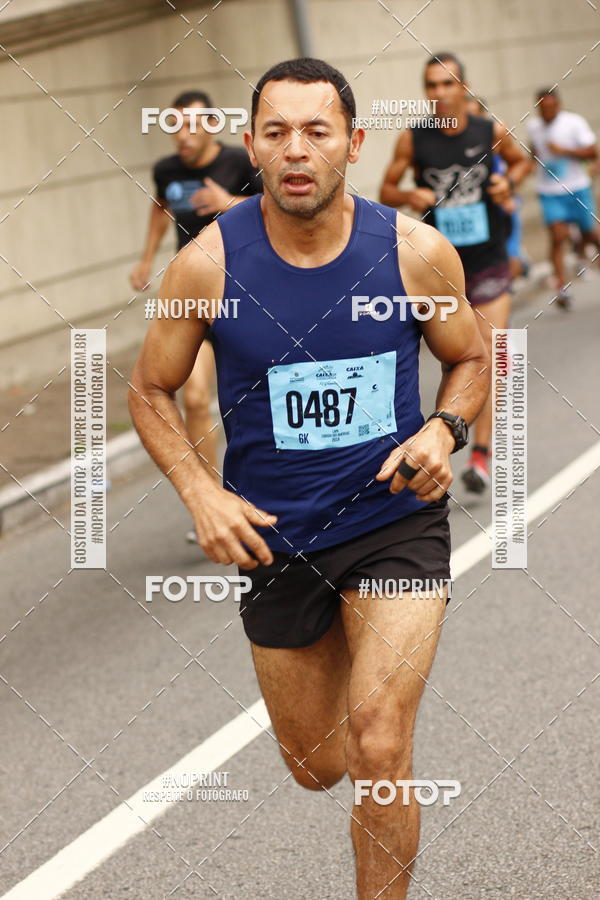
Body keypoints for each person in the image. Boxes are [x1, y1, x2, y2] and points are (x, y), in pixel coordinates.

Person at [129, 57, 490, 899]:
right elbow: (149, 387)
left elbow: (470, 358)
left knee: (378, 740)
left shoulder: (414, 252)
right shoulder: (207, 267)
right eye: (277, 132)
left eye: (317, 131)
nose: (297, 150)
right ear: (251, 146)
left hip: (393, 517)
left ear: (354, 144)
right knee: (318, 764)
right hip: (275, 534)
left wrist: (446, 427)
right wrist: (200, 491)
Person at [379, 52, 530, 495]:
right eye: (431, 86)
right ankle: (435, 434)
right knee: (452, 359)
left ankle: (480, 454)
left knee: (490, 351)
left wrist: (508, 183)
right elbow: (387, 189)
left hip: (487, 259)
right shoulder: (413, 139)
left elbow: (521, 162)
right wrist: (411, 193)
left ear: (463, 88)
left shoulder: (489, 130)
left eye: (447, 84)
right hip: (439, 269)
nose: (440, 93)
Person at [130, 90, 262, 536]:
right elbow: (160, 206)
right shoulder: (167, 170)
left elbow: (275, 209)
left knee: (255, 396)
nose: (182, 137)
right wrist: (146, 259)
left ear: (210, 126)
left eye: (191, 126)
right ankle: (211, 498)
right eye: (174, 127)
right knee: (193, 397)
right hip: (192, 298)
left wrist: (228, 202)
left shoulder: (238, 164)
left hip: (243, 293)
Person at [527, 87, 600, 310]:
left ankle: (584, 251)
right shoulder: (533, 126)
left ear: (558, 105)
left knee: (591, 234)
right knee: (558, 236)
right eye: (543, 108)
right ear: (538, 108)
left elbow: (592, 152)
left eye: (551, 107)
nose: (547, 111)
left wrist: (564, 150)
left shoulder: (574, 122)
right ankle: (562, 289)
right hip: (549, 191)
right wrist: (530, 163)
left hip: (577, 187)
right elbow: (533, 150)